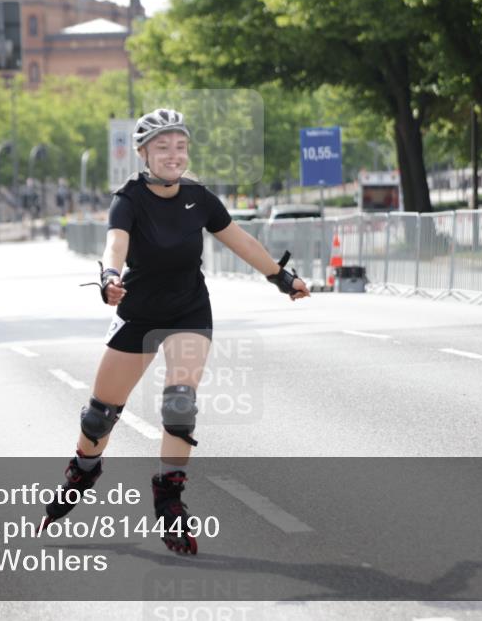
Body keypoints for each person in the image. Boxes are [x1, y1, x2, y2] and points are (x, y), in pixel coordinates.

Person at [39, 108, 310, 554]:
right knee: (99, 416)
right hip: (137, 309)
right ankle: (83, 471)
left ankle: (169, 497)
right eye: (162, 147)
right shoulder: (128, 198)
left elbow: (239, 239)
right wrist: (110, 276)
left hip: (188, 309)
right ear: (144, 153)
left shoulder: (199, 196)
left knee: (180, 404)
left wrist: (281, 278)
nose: (173, 154)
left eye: (180, 146)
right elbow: (116, 242)